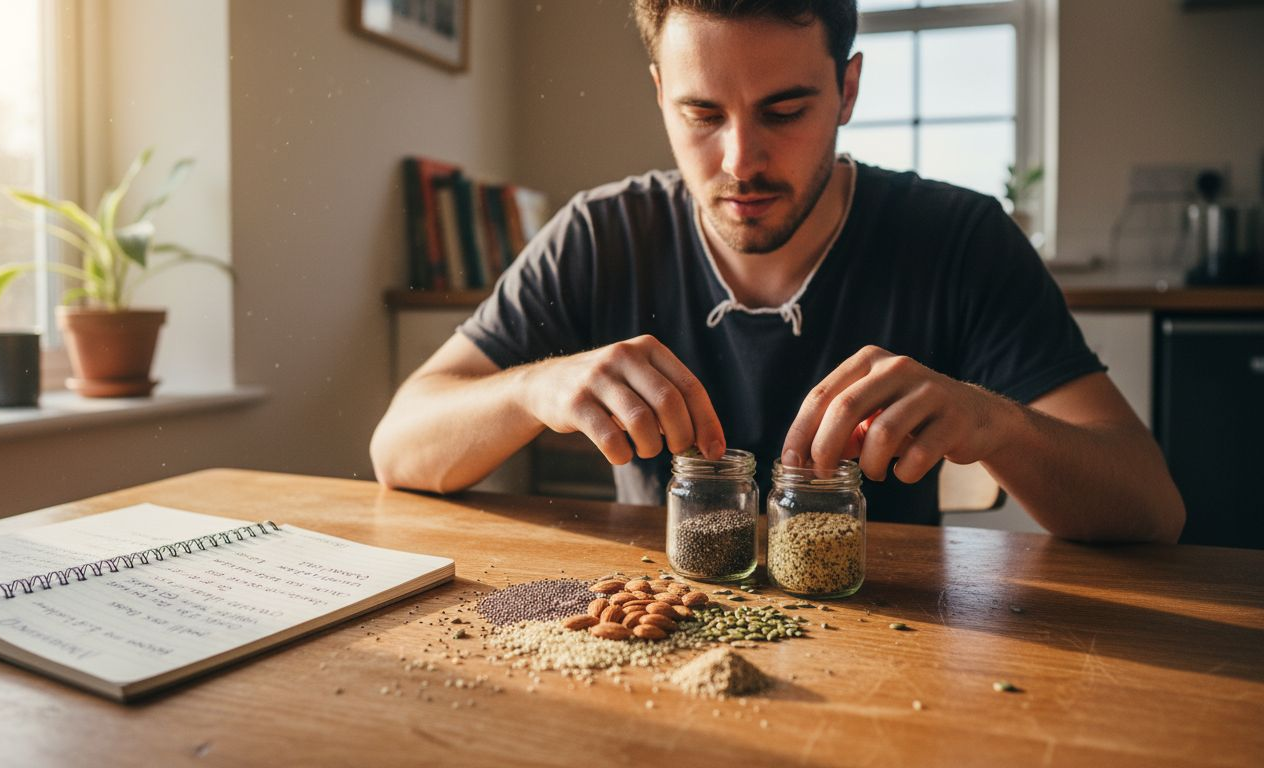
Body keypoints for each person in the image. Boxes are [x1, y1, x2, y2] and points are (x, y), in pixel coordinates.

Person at [370, 0, 1185, 543]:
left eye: (785, 111)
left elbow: (1151, 507)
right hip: (663, 634)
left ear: (848, 89)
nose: (740, 161)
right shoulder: (600, 235)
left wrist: (994, 422)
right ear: (659, 94)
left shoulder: (959, 239)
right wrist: (532, 389)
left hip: (889, 648)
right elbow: (399, 449)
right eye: (701, 113)